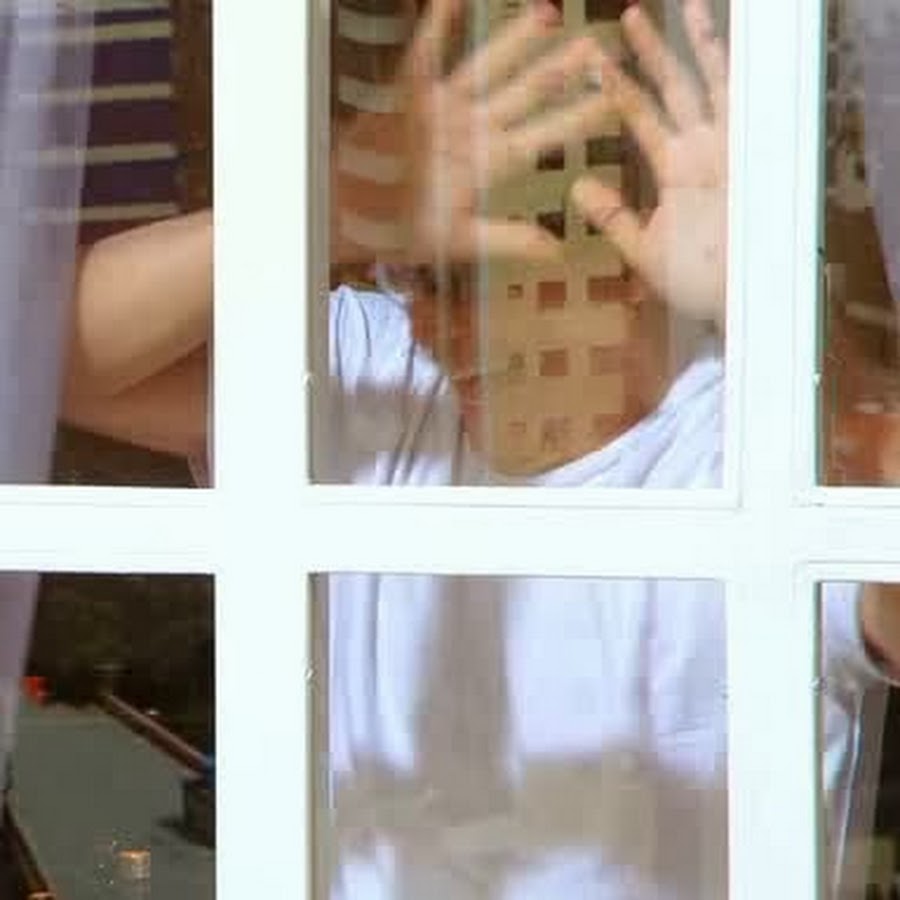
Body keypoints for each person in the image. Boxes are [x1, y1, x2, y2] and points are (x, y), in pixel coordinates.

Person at [58, 1, 900, 897]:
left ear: (620, 260)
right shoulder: (368, 370)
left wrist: (776, 312)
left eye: (494, 282)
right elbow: (41, 369)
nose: (443, 330)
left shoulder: (743, 445)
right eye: (423, 279)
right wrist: (324, 207)